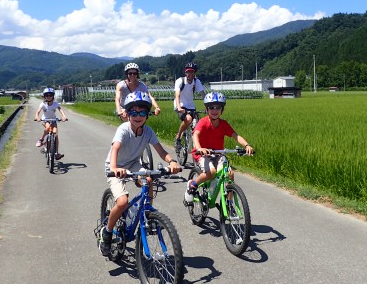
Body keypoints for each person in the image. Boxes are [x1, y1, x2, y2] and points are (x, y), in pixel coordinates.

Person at [99, 91, 180, 256]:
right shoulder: (124, 129)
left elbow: (161, 150)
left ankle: (147, 212)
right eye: (133, 112)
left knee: (148, 179)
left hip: (133, 163)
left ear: (147, 114)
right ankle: (107, 232)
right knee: (122, 202)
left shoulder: (148, 131)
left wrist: (171, 161)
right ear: (127, 114)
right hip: (116, 167)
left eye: (142, 112)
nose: (138, 116)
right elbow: (115, 148)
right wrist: (114, 169)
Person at [184, 92, 254, 202]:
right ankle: (192, 184)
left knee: (230, 174)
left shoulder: (223, 124)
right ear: (207, 109)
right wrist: (199, 148)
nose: (215, 111)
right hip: (203, 154)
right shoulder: (203, 122)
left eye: (218, 107)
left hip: (218, 154)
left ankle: (229, 202)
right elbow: (195, 135)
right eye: (211, 107)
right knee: (211, 172)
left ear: (222, 109)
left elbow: (235, 135)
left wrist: (247, 145)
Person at [173, 62, 205, 150]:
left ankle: (196, 144)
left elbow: (203, 94)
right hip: (180, 105)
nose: (190, 74)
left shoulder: (196, 81)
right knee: (188, 119)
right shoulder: (180, 81)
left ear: (194, 73)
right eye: (188, 72)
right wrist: (179, 107)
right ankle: (178, 137)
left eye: (192, 72)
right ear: (185, 72)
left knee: (199, 124)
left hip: (191, 106)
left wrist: (208, 106)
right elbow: (177, 94)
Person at [34, 87, 68, 160]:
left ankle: (56, 153)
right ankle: (41, 139)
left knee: (55, 134)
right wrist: (37, 117)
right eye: (47, 95)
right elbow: (37, 112)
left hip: (53, 120)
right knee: (48, 128)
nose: (48, 97)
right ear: (44, 96)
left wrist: (64, 116)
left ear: (53, 96)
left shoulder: (55, 104)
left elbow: (60, 110)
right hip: (45, 120)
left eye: (50, 95)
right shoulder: (43, 104)